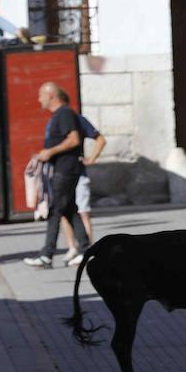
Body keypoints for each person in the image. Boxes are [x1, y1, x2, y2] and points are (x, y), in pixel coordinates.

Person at [23, 84, 89, 268]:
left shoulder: (64, 113)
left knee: (55, 209)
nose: (39, 99)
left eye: (40, 95)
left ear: (51, 95)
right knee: (69, 209)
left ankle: (47, 255)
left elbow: (74, 139)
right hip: (62, 169)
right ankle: (86, 250)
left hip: (66, 169)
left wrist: (50, 152)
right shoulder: (58, 115)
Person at [60, 113, 107, 264]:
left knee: (82, 212)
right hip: (62, 174)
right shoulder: (56, 119)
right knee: (64, 212)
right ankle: (72, 247)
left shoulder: (77, 119)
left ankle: (87, 251)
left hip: (79, 174)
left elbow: (100, 140)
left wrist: (91, 159)